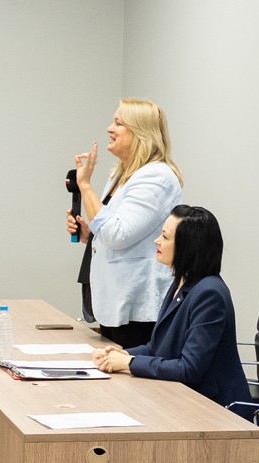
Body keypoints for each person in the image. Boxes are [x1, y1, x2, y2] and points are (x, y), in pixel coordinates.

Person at [92, 205, 253, 414]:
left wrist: (129, 363)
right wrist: (122, 354)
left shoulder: (209, 294)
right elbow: (158, 347)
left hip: (215, 409)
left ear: (188, 247)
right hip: (184, 398)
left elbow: (189, 369)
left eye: (165, 237)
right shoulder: (182, 281)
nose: (157, 241)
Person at [67, 97, 184, 349]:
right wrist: (90, 235)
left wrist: (85, 186)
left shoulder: (156, 177)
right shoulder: (123, 173)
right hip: (115, 300)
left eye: (118, 123)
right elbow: (117, 230)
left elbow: (117, 234)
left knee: (129, 372)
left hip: (138, 309)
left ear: (140, 132)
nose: (109, 128)